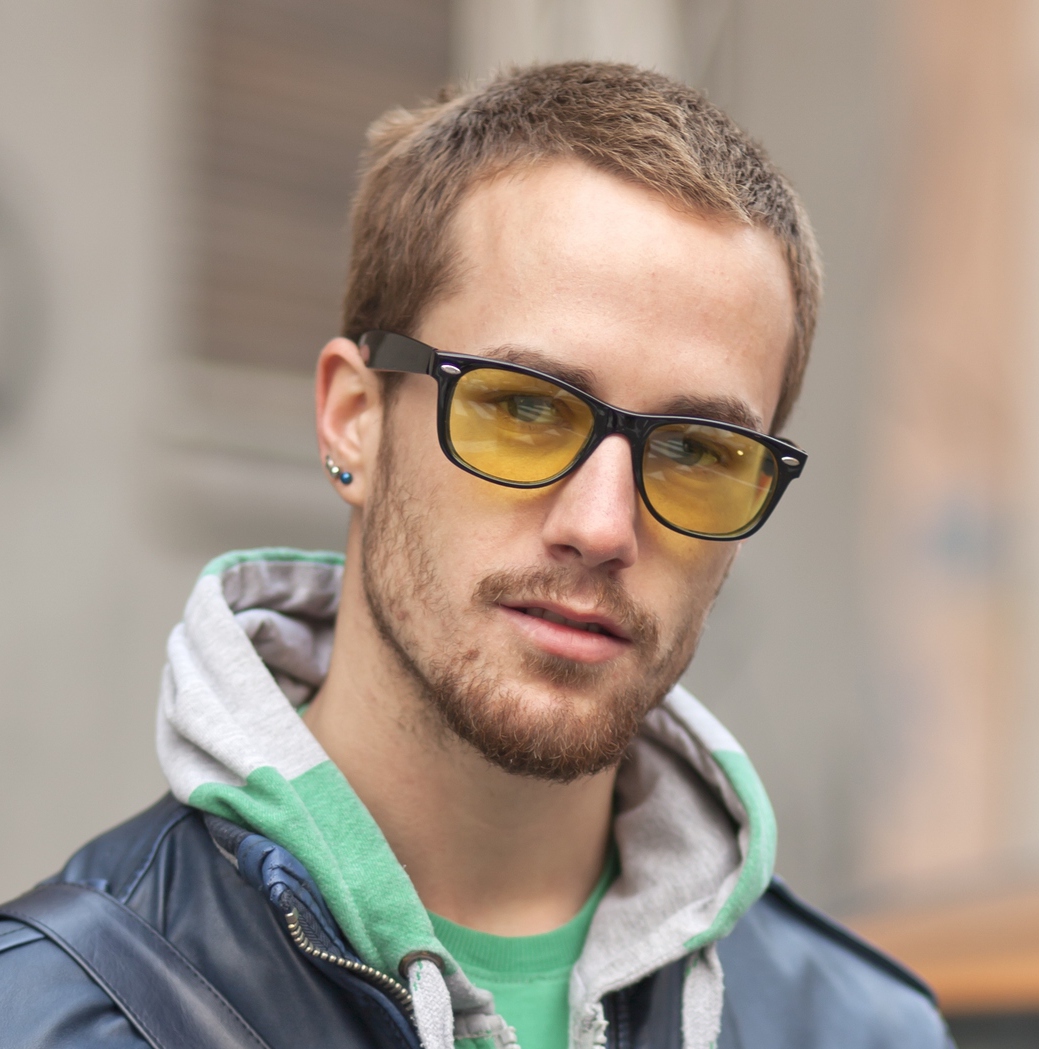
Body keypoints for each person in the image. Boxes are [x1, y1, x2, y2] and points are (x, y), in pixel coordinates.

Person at [0, 62, 952, 1049]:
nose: (603, 526)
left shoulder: (862, 1029)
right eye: (526, 407)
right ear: (354, 417)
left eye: (696, 451)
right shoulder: (50, 1015)